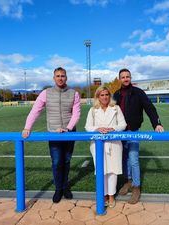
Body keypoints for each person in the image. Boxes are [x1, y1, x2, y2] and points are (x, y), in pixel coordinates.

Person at [22, 67, 81, 203]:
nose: (60, 78)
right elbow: (35, 110)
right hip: (53, 133)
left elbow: (76, 113)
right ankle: (58, 189)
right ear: (53, 78)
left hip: (69, 133)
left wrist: (67, 128)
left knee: (66, 161)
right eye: (58, 76)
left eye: (63, 76)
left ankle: (65, 187)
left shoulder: (74, 93)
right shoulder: (46, 93)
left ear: (66, 77)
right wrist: (27, 127)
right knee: (56, 162)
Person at [113, 68, 164, 204]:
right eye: (123, 77)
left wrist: (156, 124)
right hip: (120, 132)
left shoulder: (138, 92)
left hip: (134, 131)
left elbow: (150, 108)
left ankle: (136, 187)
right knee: (124, 160)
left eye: (127, 76)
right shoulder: (116, 94)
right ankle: (128, 181)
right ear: (119, 79)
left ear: (130, 78)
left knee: (133, 159)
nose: (125, 79)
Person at [85, 86, 127, 208]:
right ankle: (102, 196)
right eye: (102, 95)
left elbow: (123, 124)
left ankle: (111, 196)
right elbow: (87, 127)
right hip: (98, 145)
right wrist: (97, 129)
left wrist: (112, 129)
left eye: (106, 94)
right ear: (98, 97)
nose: (104, 97)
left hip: (114, 144)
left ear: (110, 96)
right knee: (101, 170)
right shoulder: (93, 110)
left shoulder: (116, 108)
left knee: (113, 171)